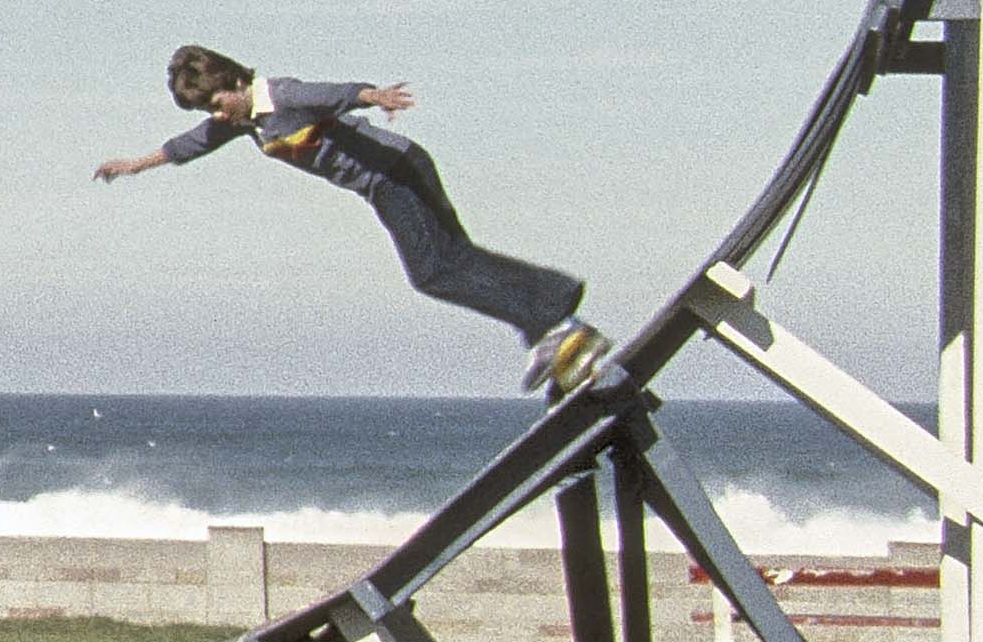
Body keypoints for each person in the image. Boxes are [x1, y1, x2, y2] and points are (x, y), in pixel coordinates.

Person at [98, 45, 604, 393]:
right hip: (389, 179)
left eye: (214, 101)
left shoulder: (280, 95)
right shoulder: (246, 119)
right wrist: (135, 165)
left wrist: (374, 95)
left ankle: (553, 319)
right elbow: (194, 144)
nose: (215, 113)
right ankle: (553, 320)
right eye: (204, 108)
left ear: (233, 80)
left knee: (433, 272)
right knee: (457, 261)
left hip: (394, 173)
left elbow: (333, 92)